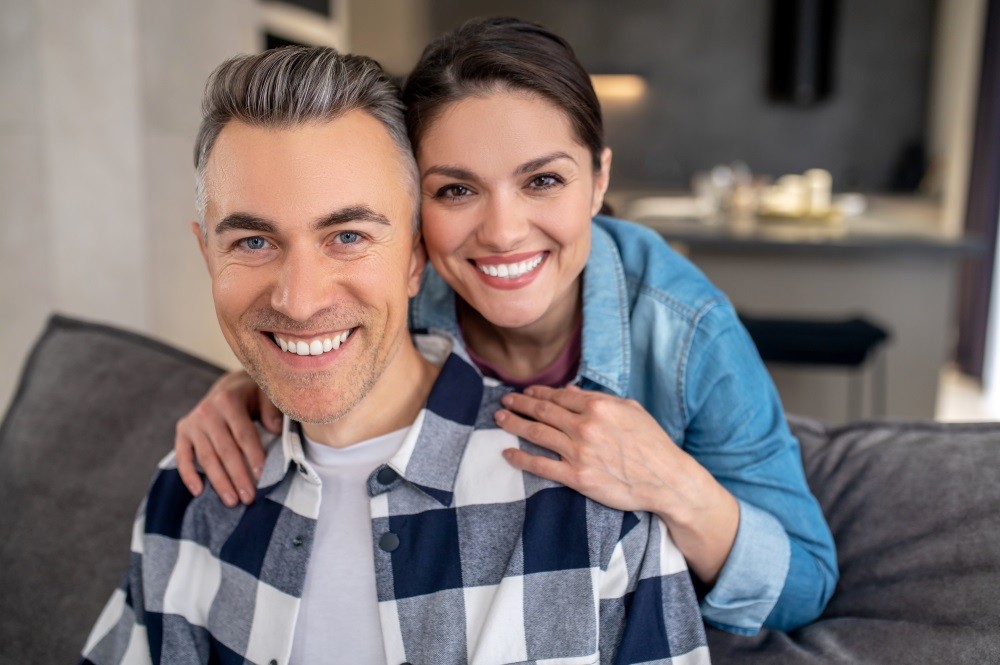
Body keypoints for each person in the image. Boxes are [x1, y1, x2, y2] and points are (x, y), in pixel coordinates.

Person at [174, 17, 838, 635]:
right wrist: (252, 383)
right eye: (455, 191)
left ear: (599, 179)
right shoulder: (404, 281)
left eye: (543, 180)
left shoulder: (688, 329)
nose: (503, 231)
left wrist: (672, 483)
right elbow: (309, 316)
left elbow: (804, 582)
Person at [80, 46, 709, 664]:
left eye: (348, 236)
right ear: (207, 255)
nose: (299, 301)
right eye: (252, 240)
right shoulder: (187, 493)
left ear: (415, 256)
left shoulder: (590, 494)